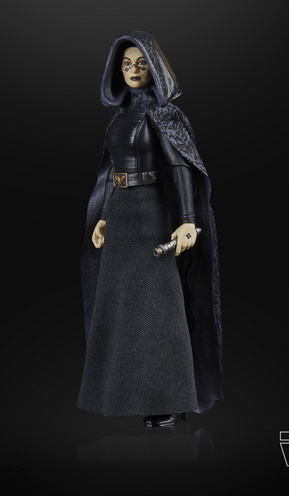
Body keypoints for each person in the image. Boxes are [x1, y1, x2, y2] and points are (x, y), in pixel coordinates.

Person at [78, 31, 222, 427]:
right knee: (122, 308)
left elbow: (181, 168)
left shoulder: (165, 115)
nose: (133, 70)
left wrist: (188, 220)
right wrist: (104, 215)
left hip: (152, 215)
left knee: (160, 308)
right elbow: (112, 170)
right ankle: (123, 393)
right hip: (122, 215)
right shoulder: (119, 116)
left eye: (141, 64)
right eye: (126, 64)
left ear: (155, 68)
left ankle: (173, 399)